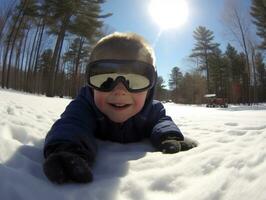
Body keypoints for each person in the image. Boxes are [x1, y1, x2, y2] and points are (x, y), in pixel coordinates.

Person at [43, 32, 197, 184]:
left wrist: (168, 136)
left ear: (150, 86)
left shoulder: (152, 110)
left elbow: (162, 122)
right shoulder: (86, 105)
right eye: (104, 79)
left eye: (136, 80)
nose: (120, 90)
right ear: (90, 82)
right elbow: (72, 123)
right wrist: (67, 148)